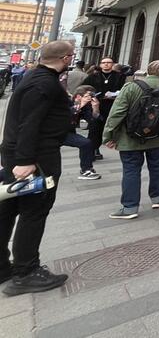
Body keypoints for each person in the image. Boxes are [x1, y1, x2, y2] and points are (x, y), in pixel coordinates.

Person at [0, 41, 74, 295]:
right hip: (35, 159)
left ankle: (4, 267)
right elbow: (29, 123)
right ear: (66, 58)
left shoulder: (35, 78)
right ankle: (26, 271)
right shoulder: (44, 83)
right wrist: (24, 160)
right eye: (71, 56)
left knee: (9, 209)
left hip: (24, 155)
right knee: (33, 211)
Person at [104, 60, 159, 220]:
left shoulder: (132, 87)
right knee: (158, 166)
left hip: (130, 137)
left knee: (131, 170)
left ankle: (130, 207)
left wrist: (109, 135)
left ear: (147, 71)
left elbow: (117, 113)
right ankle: (158, 198)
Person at [82, 56, 124, 159]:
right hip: (96, 105)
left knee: (105, 128)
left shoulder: (119, 76)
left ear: (112, 64)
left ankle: (98, 146)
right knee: (94, 128)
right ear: (100, 65)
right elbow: (84, 88)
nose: (106, 64)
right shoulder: (93, 76)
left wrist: (114, 94)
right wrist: (93, 95)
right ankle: (92, 150)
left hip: (111, 106)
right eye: (104, 62)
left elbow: (123, 90)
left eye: (109, 62)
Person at [68, 85, 102, 180]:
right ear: (79, 96)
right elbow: (66, 116)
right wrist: (79, 106)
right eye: (87, 96)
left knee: (86, 143)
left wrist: (95, 108)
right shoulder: (66, 102)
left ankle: (86, 169)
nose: (89, 99)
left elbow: (93, 121)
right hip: (53, 132)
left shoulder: (85, 107)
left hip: (68, 133)